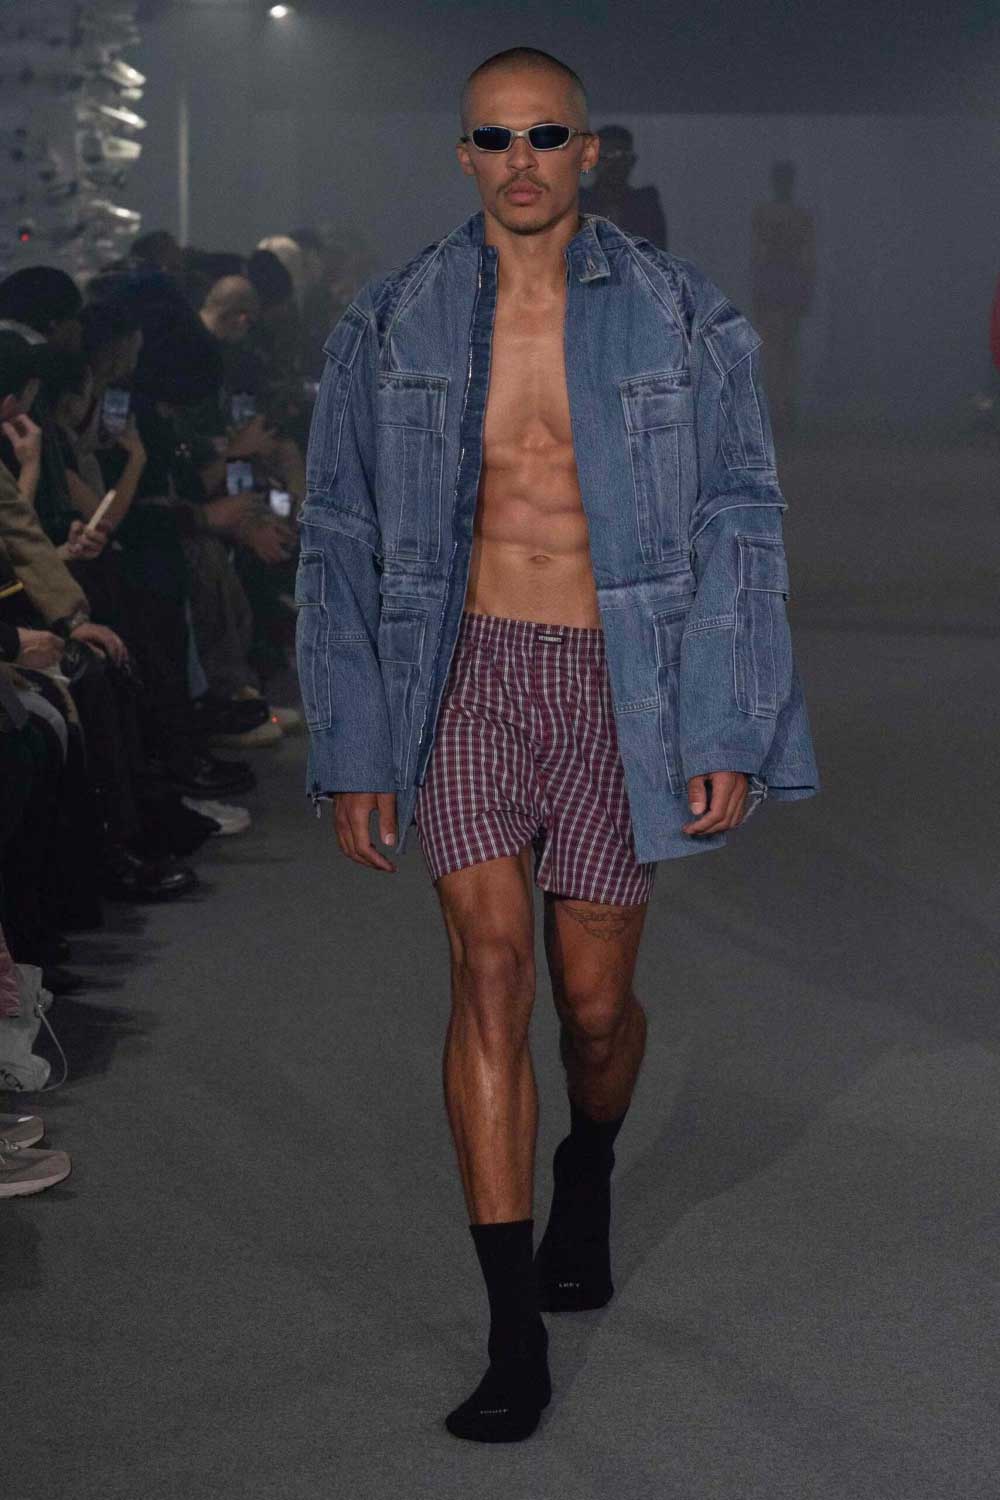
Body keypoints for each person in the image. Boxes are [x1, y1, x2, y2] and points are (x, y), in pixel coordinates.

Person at [296, 46, 820, 1444]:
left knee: (593, 1010)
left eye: (545, 136)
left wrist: (726, 718)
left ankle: (587, 1165)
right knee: (488, 971)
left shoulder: (683, 313)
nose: (518, 159)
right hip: (462, 667)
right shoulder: (390, 319)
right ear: (462, 154)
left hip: (617, 679)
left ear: (592, 153)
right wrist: (355, 742)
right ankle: (511, 1334)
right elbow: (338, 528)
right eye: (494, 137)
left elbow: (739, 516)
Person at [751, 160, 816, 432]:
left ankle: (782, 406)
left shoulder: (770, 215)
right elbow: (805, 257)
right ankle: (781, 406)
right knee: (782, 348)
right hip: (781, 284)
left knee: (782, 348)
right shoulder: (794, 216)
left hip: (781, 284)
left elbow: (805, 257)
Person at [579, 123, 668, 247]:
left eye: (621, 156)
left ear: (631, 161)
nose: (613, 164)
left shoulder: (645, 205)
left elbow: (655, 250)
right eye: (606, 155)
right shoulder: (579, 204)